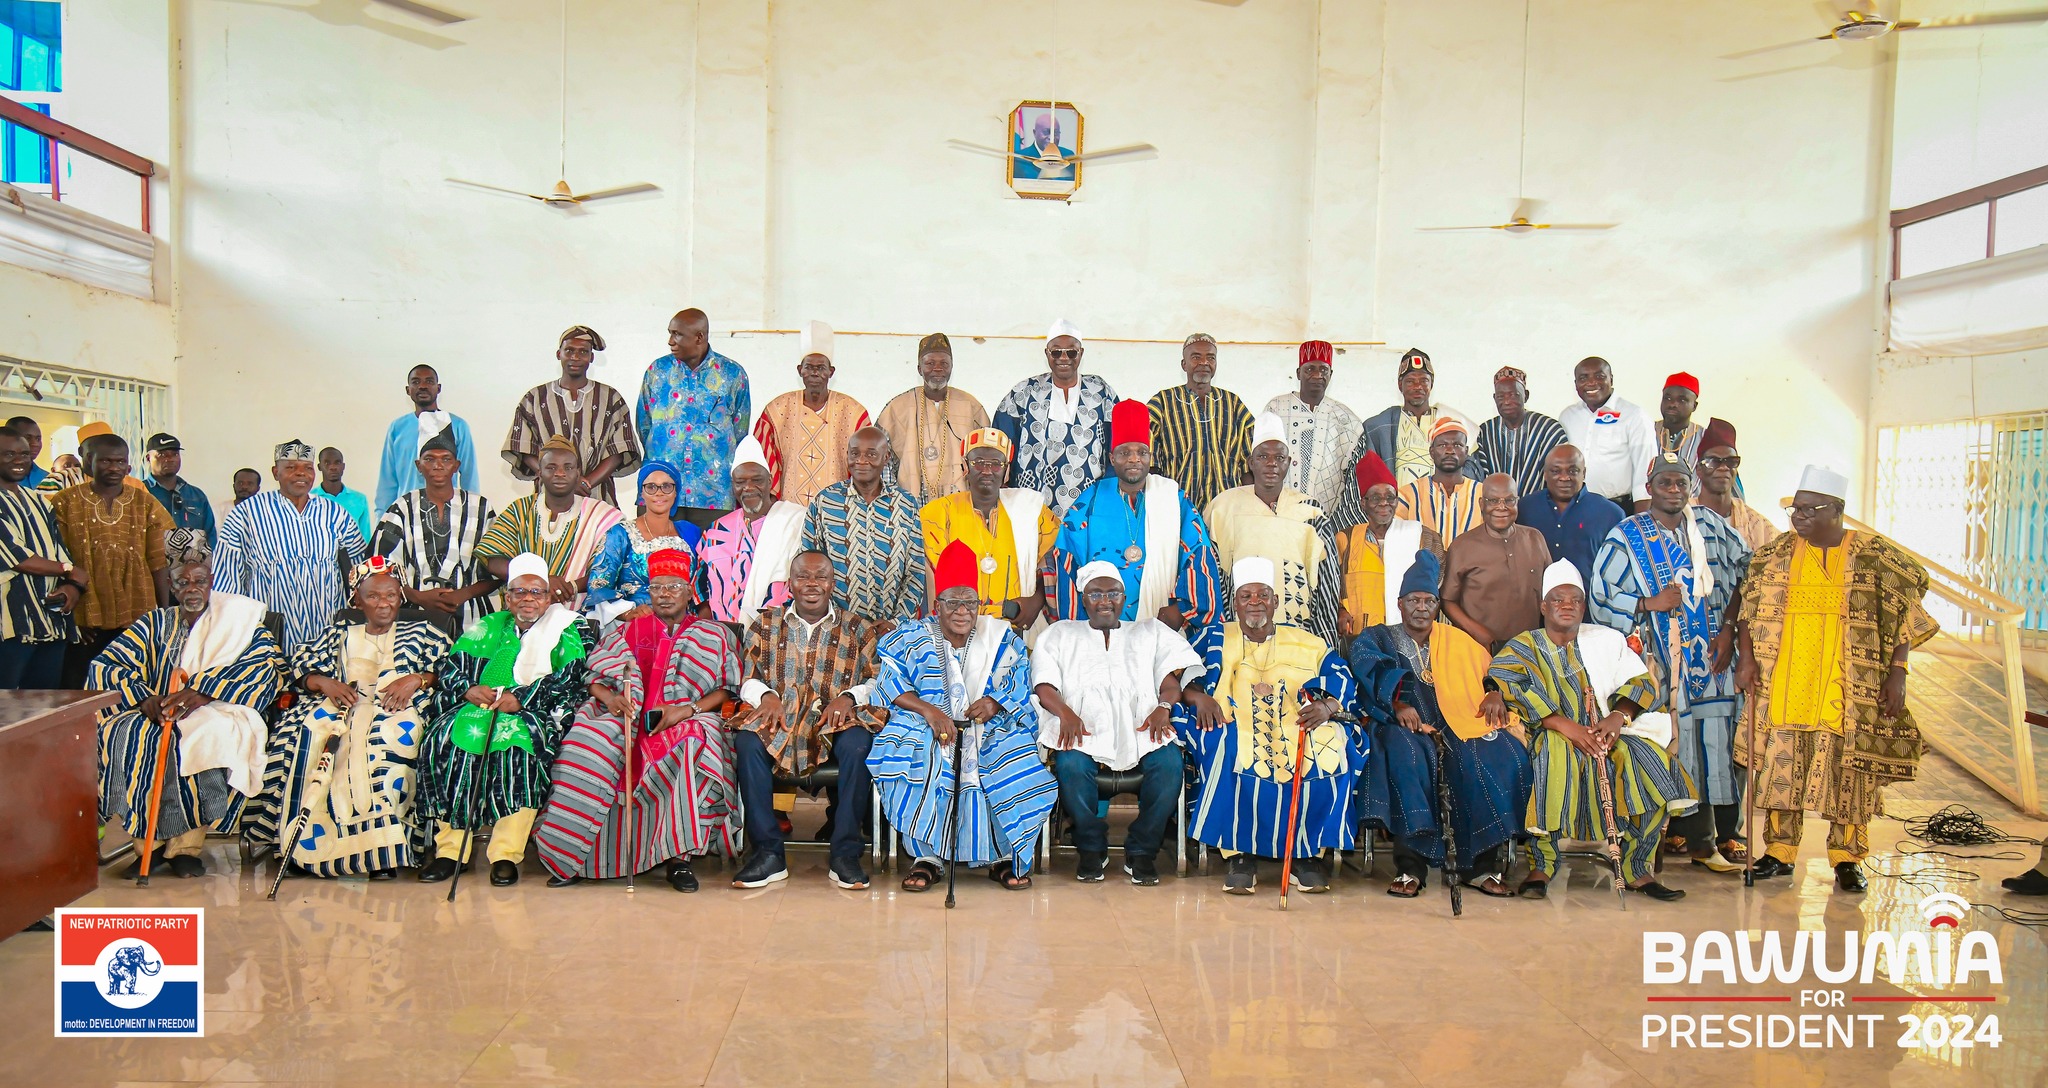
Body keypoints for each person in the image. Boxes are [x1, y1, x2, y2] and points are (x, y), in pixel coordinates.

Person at [1736, 466, 1937, 894]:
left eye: (1811, 509)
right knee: (1781, 770)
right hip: (1786, 680)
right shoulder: (1774, 555)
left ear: (1839, 510)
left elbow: (1908, 605)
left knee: (1850, 774)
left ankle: (1847, 859)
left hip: (1848, 685)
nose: (1799, 516)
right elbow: (1745, 609)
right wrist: (1747, 660)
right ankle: (1779, 852)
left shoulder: (1872, 554)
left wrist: (1898, 672)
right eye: (1795, 508)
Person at [534, 547, 740, 892]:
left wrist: (687, 711)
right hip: (625, 715)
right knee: (586, 748)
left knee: (693, 742)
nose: (664, 595)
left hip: (686, 718)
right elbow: (593, 678)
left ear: (690, 590)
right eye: (657, 587)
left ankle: (679, 859)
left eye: (673, 587)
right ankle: (574, 856)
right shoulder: (627, 630)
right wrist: (611, 698)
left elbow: (727, 690)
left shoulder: (714, 634)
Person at [1489, 559, 1692, 902]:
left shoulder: (1606, 640)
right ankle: (1543, 864)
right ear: (1543, 606)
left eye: (1575, 600)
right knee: (1555, 756)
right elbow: (1504, 680)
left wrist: (1618, 717)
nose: (1567, 606)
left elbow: (1643, 683)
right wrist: (1565, 726)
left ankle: (1637, 868)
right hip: (1550, 731)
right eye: (1557, 599)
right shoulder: (1525, 645)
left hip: (1609, 731)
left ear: (1584, 606)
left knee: (1650, 761)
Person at [1592, 451, 1753, 870]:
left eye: (1681, 482)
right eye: (1665, 482)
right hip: (1658, 663)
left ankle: (1716, 836)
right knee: (1671, 743)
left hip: (1714, 657)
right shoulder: (1626, 535)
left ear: (1691, 486)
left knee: (1717, 740)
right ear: (1649, 489)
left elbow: (1747, 574)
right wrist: (1649, 602)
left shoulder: (1713, 527)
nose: (1674, 489)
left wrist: (1729, 628)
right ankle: (1670, 840)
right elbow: (1602, 596)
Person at [91, 530, 284, 878]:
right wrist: (144, 699)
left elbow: (265, 665)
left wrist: (205, 691)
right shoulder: (153, 623)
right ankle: (146, 848)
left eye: (200, 580)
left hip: (218, 707)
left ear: (211, 581)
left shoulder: (239, 623)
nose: (192, 588)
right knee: (128, 734)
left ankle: (185, 849)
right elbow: (105, 666)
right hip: (155, 710)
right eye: (183, 582)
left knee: (203, 734)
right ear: (171, 584)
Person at [242, 555, 449, 877]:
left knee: (387, 742)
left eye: (391, 595)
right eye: (374, 596)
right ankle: (304, 851)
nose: (384, 604)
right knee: (307, 741)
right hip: (339, 707)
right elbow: (299, 671)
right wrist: (324, 682)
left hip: (396, 708)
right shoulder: (336, 633)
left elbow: (448, 671)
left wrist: (417, 679)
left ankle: (383, 852)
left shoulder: (423, 632)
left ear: (401, 597)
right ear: (357, 600)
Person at [869, 541, 1056, 893]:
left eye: (969, 602)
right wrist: (931, 712)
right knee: (914, 754)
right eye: (952, 602)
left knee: (1008, 754)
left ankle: (1002, 856)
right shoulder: (910, 636)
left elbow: (1020, 680)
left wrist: (995, 703)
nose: (961, 611)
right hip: (924, 724)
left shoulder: (1001, 636)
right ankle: (928, 857)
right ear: (936, 604)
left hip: (989, 723)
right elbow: (890, 683)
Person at [1175, 558, 1362, 895]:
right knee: (1223, 744)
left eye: (1263, 595)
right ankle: (1239, 855)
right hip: (1235, 719)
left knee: (1330, 746)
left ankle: (1306, 855)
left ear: (1276, 602)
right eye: (1246, 596)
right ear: (1235, 603)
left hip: (1297, 719)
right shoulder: (1215, 636)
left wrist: (1328, 705)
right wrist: (1196, 697)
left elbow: (1341, 674)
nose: (1255, 602)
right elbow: (1183, 676)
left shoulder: (1307, 641)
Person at [1349, 552, 1531, 899]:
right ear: (1399, 604)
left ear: (1438, 606)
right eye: (1414, 600)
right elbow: (1366, 666)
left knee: (1498, 753)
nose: (1421, 608)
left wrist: (1493, 693)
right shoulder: (1379, 637)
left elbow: (1492, 674)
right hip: (1399, 722)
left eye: (1429, 600)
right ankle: (1410, 868)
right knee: (1408, 754)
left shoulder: (1457, 641)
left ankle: (1479, 867)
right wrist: (1397, 702)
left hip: (1456, 721)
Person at [416, 553, 592, 887]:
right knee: (446, 741)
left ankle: (505, 855)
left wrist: (522, 698)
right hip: (477, 708)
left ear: (548, 596)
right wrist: (469, 690)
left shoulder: (568, 626)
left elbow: (573, 678)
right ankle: (450, 852)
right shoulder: (488, 625)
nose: (528, 599)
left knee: (517, 750)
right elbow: (449, 668)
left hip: (533, 710)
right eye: (520, 592)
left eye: (537, 592)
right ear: (507, 597)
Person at [725, 550, 891, 890]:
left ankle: (845, 854)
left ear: (833, 584)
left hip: (836, 718)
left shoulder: (859, 628)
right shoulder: (765, 624)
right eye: (803, 577)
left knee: (860, 744)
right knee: (747, 741)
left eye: (820, 577)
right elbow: (746, 676)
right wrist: (765, 696)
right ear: (790, 584)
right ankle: (768, 854)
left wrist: (849, 697)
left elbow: (877, 680)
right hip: (780, 717)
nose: (812, 584)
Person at [1033, 560, 1205, 885]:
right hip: (1082, 727)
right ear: (1083, 598)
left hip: (1143, 727)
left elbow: (1170, 681)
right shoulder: (1060, 633)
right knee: (1070, 765)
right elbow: (1044, 685)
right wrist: (1066, 714)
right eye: (1096, 594)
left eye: (1113, 592)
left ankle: (1142, 850)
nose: (1105, 601)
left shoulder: (1149, 631)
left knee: (1169, 765)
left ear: (1124, 598)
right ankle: (1090, 847)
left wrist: (1164, 707)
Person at [1048, 400, 1222, 633]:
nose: (1134, 459)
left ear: (1151, 456)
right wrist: (1081, 625)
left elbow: (1198, 552)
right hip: (1100, 630)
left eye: (1142, 452)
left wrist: (1181, 609)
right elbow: (1067, 559)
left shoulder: (1174, 499)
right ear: (1111, 458)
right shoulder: (1090, 501)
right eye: (1124, 453)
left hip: (1162, 628)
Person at [212, 440, 368, 654]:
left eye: (307, 468)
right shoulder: (246, 514)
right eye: (291, 468)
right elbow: (227, 577)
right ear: (276, 472)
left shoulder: (333, 512)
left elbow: (360, 566)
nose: (300, 474)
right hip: (269, 632)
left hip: (327, 629)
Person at [49, 433, 174, 686]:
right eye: (106, 461)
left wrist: (162, 613)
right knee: (79, 685)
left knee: (132, 684)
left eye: (120, 461)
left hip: (137, 609)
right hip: (85, 615)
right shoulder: (65, 502)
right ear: (88, 461)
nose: (114, 468)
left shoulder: (144, 501)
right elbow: (57, 560)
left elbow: (158, 560)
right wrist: (72, 619)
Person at [1203, 412, 1339, 642]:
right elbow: (1213, 577)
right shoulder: (1222, 508)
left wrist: (1324, 641)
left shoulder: (1310, 510)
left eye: (1279, 457)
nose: (1271, 464)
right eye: (1263, 456)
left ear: (1289, 462)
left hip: (1298, 634)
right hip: (1239, 633)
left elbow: (1327, 582)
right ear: (1251, 462)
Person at [370, 414, 500, 629]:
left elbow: (499, 568)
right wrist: (417, 597)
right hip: (412, 620)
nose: (438, 465)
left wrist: (463, 594)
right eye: (429, 459)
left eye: (446, 459)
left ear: (456, 465)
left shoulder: (482, 508)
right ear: (418, 465)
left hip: (473, 620)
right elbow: (378, 567)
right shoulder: (401, 508)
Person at [918, 428, 1057, 626]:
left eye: (996, 464)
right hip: (957, 628)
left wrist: (1036, 600)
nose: (986, 470)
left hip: (1016, 628)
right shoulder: (938, 513)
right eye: (978, 462)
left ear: (1007, 469)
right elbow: (927, 578)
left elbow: (1056, 561)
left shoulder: (1032, 511)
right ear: (965, 466)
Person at [472, 436, 624, 611]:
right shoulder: (520, 510)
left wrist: (570, 588)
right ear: (540, 473)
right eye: (551, 468)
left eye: (568, 468)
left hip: (578, 620)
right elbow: (494, 561)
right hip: (521, 618)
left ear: (577, 473)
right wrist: (540, 580)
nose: (560, 473)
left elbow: (612, 567)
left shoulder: (601, 515)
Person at [638, 308, 752, 530]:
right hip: (661, 493)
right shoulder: (657, 371)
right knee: (657, 561)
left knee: (712, 562)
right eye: (670, 333)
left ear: (699, 337)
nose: (670, 341)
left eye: (677, 334)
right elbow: (644, 425)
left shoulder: (732, 374)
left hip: (714, 496)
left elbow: (740, 431)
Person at [992, 319, 1120, 514]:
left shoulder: (1101, 392)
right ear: (1047, 353)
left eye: (1071, 352)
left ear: (1081, 353)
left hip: (1088, 505)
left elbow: (1117, 445)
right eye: (1056, 352)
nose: (1063, 358)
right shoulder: (1025, 392)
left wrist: (1109, 491)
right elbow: (1000, 443)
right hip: (1032, 504)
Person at [506, 326, 642, 508]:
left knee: (599, 536)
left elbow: (619, 450)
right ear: (558, 354)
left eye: (583, 352)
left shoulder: (610, 398)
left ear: (591, 358)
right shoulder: (534, 398)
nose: (575, 357)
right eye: (569, 350)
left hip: (597, 498)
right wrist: (557, 478)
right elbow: (523, 448)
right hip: (548, 498)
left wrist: (585, 483)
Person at [801, 426, 927, 622]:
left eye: (871, 454)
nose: (861, 460)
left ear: (886, 458)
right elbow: (809, 566)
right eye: (854, 453)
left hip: (889, 630)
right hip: (836, 627)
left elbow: (915, 571)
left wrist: (896, 622)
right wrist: (830, 620)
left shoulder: (905, 505)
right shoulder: (825, 501)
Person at [751, 321, 871, 507]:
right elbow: (760, 460)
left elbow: (867, 462)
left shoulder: (852, 411)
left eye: (821, 367)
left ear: (831, 372)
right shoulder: (778, 409)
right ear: (800, 370)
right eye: (809, 367)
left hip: (836, 511)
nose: (815, 372)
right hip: (788, 509)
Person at [0, 423, 79, 689]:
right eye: (9, 454)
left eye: (23, 454)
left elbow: (59, 549)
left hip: (51, 621)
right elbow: (18, 556)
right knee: (7, 711)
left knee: (44, 707)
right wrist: (69, 570)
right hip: (10, 627)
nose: (19, 460)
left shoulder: (39, 500)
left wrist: (72, 586)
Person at [1334, 451, 1442, 642]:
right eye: (1375, 498)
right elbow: (1334, 586)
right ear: (1363, 503)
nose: (1384, 503)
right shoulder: (1346, 539)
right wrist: (1341, 610)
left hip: (1409, 639)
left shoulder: (1421, 536)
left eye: (1390, 497)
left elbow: (1435, 583)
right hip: (1359, 639)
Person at [695, 435, 801, 628]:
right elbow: (700, 585)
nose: (748, 488)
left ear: (770, 481)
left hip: (778, 633)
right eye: (740, 481)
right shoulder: (716, 529)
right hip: (723, 635)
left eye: (757, 480)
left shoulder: (795, 521)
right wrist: (710, 630)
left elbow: (805, 579)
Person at [874, 332, 990, 506]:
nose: (938, 368)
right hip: (910, 508)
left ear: (952, 367)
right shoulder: (897, 407)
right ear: (919, 369)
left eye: (944, 363)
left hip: (961, 506)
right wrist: (892, 501)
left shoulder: (970, 406)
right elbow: (880, 458)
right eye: (930, 363)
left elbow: (988, 456)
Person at [1439, 474, 1549, 653]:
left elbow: (1551, 592)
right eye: (1493, 501)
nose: (1501, 507)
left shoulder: (1535, 538)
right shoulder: (1462, 546)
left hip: (1531, 650)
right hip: (1480, 649)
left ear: (1517, 502)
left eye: (1509, 500)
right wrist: (1478, 632)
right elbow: (1447, 600)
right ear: (1482, 504)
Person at [585, 460, 704, 622]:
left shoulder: (691, 534)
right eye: (651, 487)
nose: (659, 493)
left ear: (676, 492)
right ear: (641, 493)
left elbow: (702, 587)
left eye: (667, 486)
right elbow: (598, 586)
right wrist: (627, 613)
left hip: (683, 627)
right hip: (634, 625)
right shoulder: (620, 534)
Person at [1147, 333, 1253, 512]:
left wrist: (1251, 504)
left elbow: (1251, 462)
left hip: (1227, 508)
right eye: (1196, 357)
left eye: (1210, 357)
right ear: (1184, 364)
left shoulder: (1233, 403)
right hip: (1177, 506)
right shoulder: (1163, 402)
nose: (1204, 362)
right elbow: (1149, 462)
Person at [1348, 349, 1475, 495]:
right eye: (1410, 381)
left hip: (1442, 507)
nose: (1417, 386)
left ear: (1431, 384)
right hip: (1398, 509)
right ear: (1399, 385)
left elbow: (1470, 471)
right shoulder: (1378, 427)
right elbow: (1367, 475)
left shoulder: (1452, 422)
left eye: (1423, 381)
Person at [1262, 340, 1363, 510]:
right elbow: (1260, 459)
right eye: (1309, 369)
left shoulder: (1345, 417)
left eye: (1323, 370)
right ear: (1298, 373)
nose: (1317, 375)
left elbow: (1355, 472)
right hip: (1278, 512)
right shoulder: (1276, 408)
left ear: (1331, 374)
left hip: (1326, 516)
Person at [374, 364, 479, 511]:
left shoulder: (457, 426)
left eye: (429, 381)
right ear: (408, 390)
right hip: (406, 513)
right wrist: (383, 520)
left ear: (438, 388)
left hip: (448, 512)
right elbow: (387, 480)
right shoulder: (397, 428)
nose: (422, 386)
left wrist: (473, 514)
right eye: (416, 382)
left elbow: (470, 476)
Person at [1517, 444, 1625, 586]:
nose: (1564, 477)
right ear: (1545, 474)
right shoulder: (1525, 508)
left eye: (1573, 471)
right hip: (1535, 602)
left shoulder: (1610, 513)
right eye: (1556, 471)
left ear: (1584, 473)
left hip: (1590, 604)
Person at [1559, 356, 1657, 510]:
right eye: (1583, 378)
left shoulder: (1634, 415)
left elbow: (1644, 471)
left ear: (1611, 379)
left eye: (1599, 376)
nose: (1591, 382)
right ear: (1576, 384)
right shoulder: (1567, 416)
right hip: (1575, 507)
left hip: (1618, 507)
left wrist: (1641, 519)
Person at [1471, 367, 1568, 497]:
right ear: (1494, 398)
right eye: (1501, 396)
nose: (1506, 401)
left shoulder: (1549, 429)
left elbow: (1561, 473)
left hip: (1540, 507)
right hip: (1496, 510)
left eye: (1513, 395)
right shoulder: (1485, 431)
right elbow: (1477, 474)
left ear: (1526, 395)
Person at [1692, 418, 1776, 551]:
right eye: (1714, 461)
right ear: (1699, 470)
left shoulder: (1755, 524)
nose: (1724, 467)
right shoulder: (1684, 515)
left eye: (1731, 461)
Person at [1395, 418, 1484, 543]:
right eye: (1442, 445)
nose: (1449, 451)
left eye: (1457, 445)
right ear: (1431, 452)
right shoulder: (1408, 495)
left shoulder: (1482, 493)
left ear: (1466, 451)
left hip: (1472, 562)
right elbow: (1396, 538)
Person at [141, 433, 215, 539]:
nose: (170, 459)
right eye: (162, 455)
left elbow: (210, 535)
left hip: (193, 555)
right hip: (153, 555)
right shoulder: (140, 492)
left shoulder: (196, 495)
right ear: (148, 458)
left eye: (175, 454)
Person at [313, 446, 374, 543]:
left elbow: (365, 538)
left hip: (352, 556)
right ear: (319, 467)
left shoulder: (359, 499)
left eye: (337, 462)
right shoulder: (309, 498)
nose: (333, 467)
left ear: (343, 466)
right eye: (327, 463)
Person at [1655, 372, 1705, 475]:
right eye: (1667, 398)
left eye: (1682, 400)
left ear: (1694, 406)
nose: (1672, 404)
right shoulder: (1644, 430)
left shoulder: (1706, 438)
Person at [6, 415, 48, 489]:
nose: (36, 444)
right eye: (28, 438)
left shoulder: (48, 478)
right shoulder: (3, 478)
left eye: (38, 439)